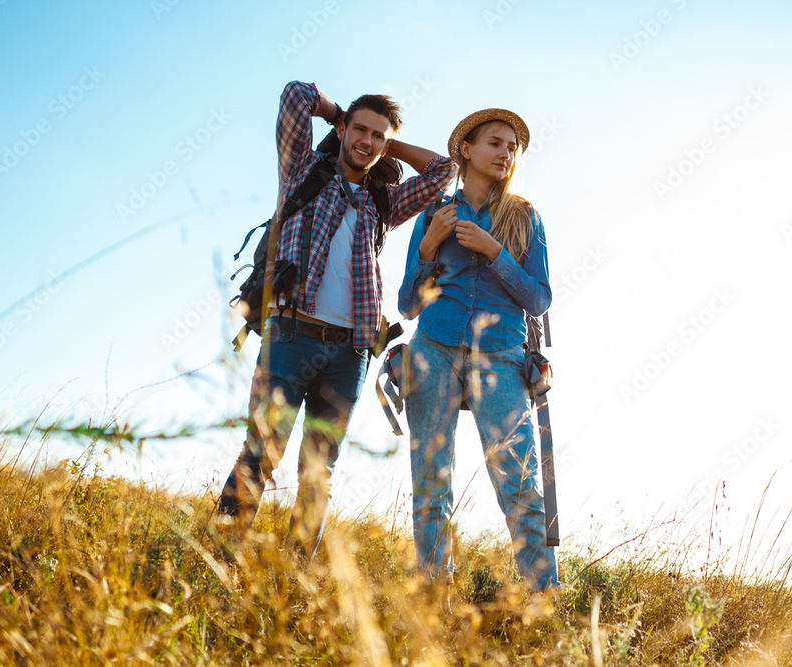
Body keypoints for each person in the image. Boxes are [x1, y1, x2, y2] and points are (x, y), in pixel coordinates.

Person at [217, 80, 455, 559]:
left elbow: (443, 173)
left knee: (318, 469)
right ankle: (219, 562)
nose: (367, 142)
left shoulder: (382, 203)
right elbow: (293, 96)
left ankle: (294, 579)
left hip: (350, 353)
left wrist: (392, 142)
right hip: (291, 336)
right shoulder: (300, 170)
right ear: (343, 129)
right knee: (261, 451)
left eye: (378, 137)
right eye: (359, 130)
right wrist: (336, 112)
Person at [397, 109, 559, 591]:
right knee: (431, 481)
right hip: (434, 349)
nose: (506, 153)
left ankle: (543, 600)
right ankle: (432, 596)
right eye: (495, 142)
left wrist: (494, 251)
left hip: (503, 358)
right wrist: (429, 247)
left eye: (512, 147)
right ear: (465, 150)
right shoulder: (433, 215)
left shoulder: (525, 217)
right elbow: (408, 304)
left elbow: (540, 298)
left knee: (520, 482)